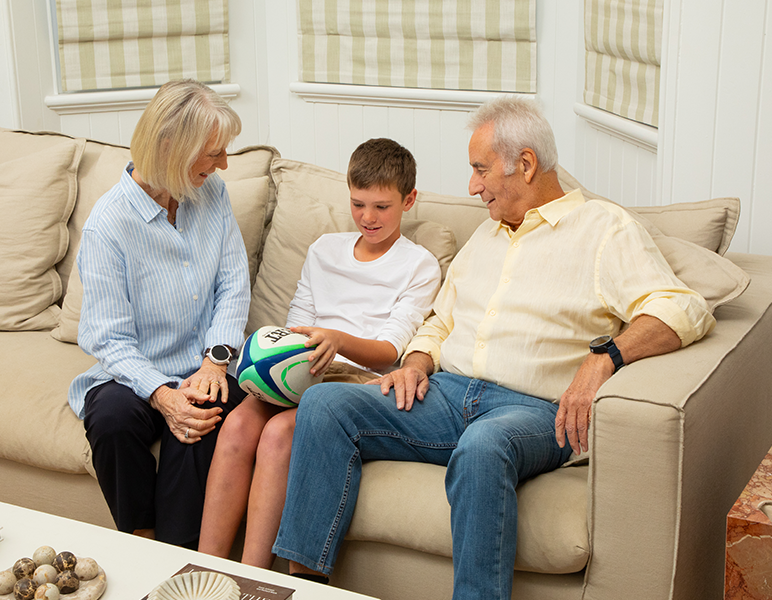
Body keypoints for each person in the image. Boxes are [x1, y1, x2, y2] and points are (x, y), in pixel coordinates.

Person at [271, 96, 717, 597]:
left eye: (480, 170)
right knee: (326, 404)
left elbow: (683, 309)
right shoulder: (484, 236)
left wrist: (605, 358)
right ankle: (305, 588)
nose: (471, 186)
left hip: (532, 411)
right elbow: (439, 321)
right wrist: (415, 362)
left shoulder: (603, 229)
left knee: (483, 447)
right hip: (445, 395)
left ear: (525, 165)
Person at [198, 138, 442, 564]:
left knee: (278, 434)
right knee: (237, 426)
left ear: (409, 200)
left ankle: (253, 577)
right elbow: (296, 322)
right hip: (302, 364)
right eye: (358, 204)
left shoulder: (418, 264)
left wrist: (338, 341)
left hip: (357, 380)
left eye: (382, 207)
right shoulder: (324, 249)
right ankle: (203, 571)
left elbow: (389, 352)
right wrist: (288, 354)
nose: (368, 218)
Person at [68, 79, 250, 548]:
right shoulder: (108, 226)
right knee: (110, 418)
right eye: (213, 153)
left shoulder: (213, 195)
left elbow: (233, 282)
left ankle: (177, 558)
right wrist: (162, 396)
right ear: (171, 148)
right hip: (135, 370)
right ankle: (141, 541)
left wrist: (215, 360)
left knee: (203, 411)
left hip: (203, 363)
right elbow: (108, 339)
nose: (224, 164)